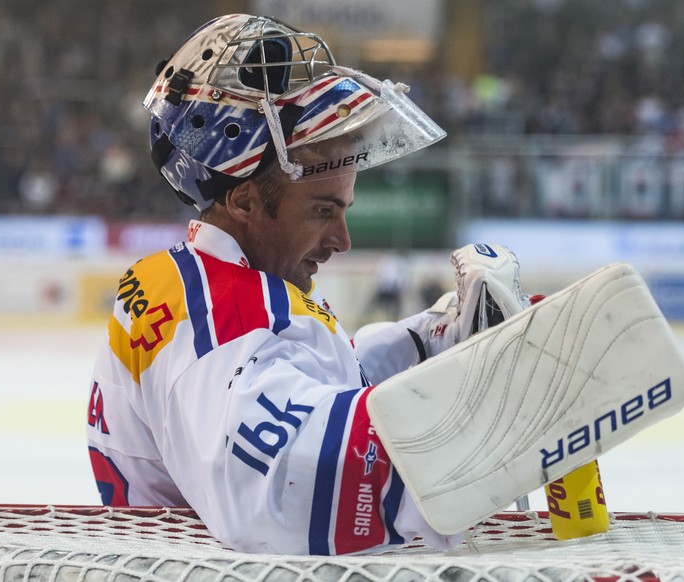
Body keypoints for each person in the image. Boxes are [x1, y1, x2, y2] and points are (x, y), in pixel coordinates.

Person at [85, 14, 518, 556]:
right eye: (321, 210)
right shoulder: (227, 316)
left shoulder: (192, 283)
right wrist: (508, 417)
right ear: (242, 200)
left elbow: (301, 379)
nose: (342, 238)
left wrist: (432, 342)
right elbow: (297, 491)